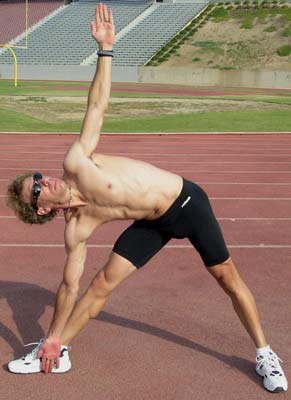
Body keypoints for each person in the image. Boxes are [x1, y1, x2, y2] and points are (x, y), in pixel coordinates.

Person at [6, 3, 287, 393]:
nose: (44, 179)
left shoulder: (77, 162)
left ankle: (265, 353)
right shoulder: (77, 229)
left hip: (186, 202)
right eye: (37, 187)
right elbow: (69, 287)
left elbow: (97, 107)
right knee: (100, 284)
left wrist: (105, 50)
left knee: (228, 278)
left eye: (37, 176)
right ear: (41, 208)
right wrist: (52, 333)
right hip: (153, 222)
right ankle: (59, 347)